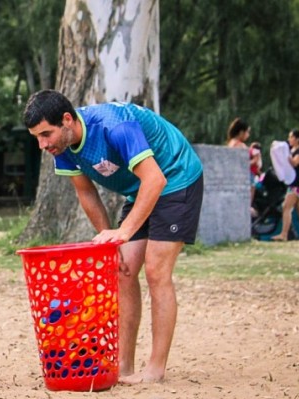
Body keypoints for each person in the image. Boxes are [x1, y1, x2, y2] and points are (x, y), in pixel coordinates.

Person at [22, 90, 204, 384]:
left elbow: (155, 179)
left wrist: (124, 231)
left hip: (176, 177)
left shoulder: (114, 125)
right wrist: (112, 244)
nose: (42, 144)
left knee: (157, 271)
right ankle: (124, 366)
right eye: (37, 138)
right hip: (141, 188)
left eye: (46, 134)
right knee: (123, 271)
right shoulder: (63, 147)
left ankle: (155, 370)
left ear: (67, 120)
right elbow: (86, 193)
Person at [271, 129, 299, 241]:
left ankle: (284, 234)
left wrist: (285, 155)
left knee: (286, 207)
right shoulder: (293, 150)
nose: (289, 139)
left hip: (297, 184)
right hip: (296, 183)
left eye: (291, 137)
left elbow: (294, 163)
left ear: (297, 139)